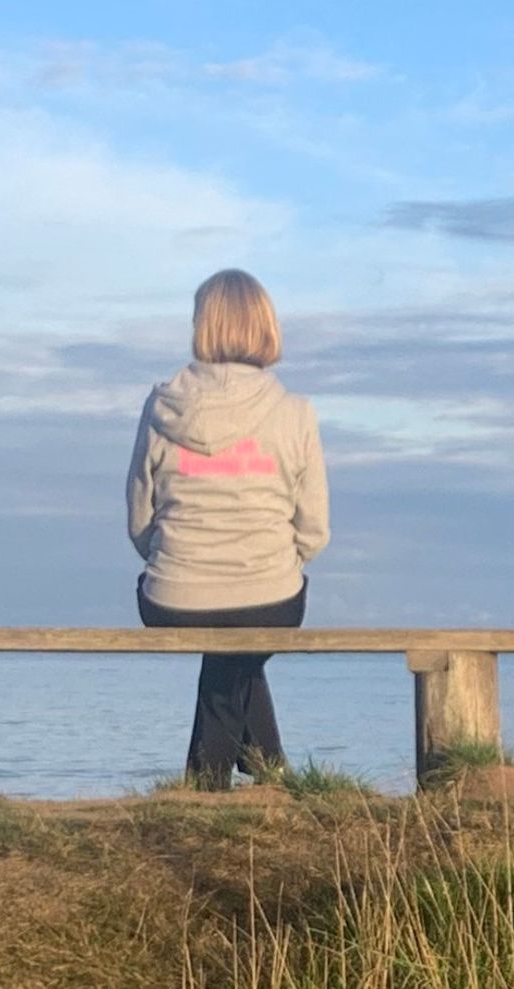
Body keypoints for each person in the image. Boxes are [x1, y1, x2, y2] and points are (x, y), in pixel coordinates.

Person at [127, 269, 330, 789]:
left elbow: (139, 520)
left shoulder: (160, 408)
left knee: (229, 654)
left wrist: (180, 559)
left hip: (173, 596)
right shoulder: (296, 413)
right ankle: (232, 777)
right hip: (272, 596)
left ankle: (236, 775)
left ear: (201, 325)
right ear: (267, 326)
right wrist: (267, 563)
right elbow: (314, 530)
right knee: (240, 647)